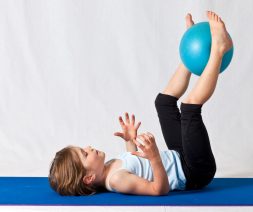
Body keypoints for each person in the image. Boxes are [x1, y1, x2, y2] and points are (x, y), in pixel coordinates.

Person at [48, 11, 233, 196]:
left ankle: (189, 55)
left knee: (163, 102)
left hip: (180, 156)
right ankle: (218, 49)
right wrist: (154, 157)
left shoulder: (108, 167)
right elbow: (159, 189)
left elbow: (134, 163)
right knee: (189, 109)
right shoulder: (116, 180)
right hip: (195, 171)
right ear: (88, 178)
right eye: (85, 154)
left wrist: (130, 142)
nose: (88, 147)